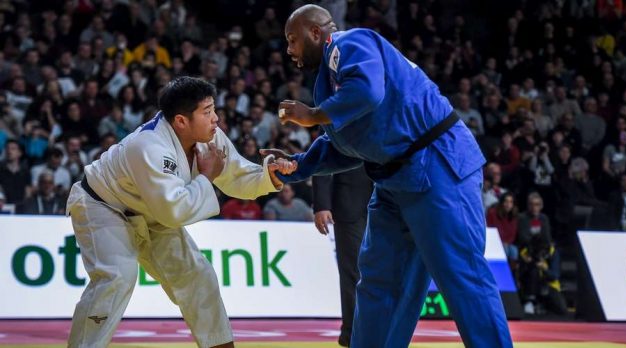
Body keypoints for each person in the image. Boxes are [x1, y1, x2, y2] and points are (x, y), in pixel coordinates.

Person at [262, 5, 512, 347]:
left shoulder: (350, 43)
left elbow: (367, 92)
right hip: (394, 179)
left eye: (293, 39)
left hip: (437, 163)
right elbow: (347, 144)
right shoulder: (328, 81)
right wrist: (296, 164)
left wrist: (314, 115)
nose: (289, 49)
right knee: (379, 281)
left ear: (316, 33)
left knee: (462, 277)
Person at [65, 76, 296, 348]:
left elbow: (235, 176)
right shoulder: (149, 145)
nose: (216, 119)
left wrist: (269, 176)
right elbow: (174, 214)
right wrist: (207, 178)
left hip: (151, 210)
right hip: (102, 205)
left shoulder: (209, 138)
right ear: (181, 121)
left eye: (214, 109)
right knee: (117, 277)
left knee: (199, 277)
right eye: (207, 112)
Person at [312, 166, 373, 347]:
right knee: (353, 273)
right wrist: (322, 205)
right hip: (350, 205)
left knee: (386, 274)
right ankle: (353, 335)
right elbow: (322, 158)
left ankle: (383, 333)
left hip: (389, 203)